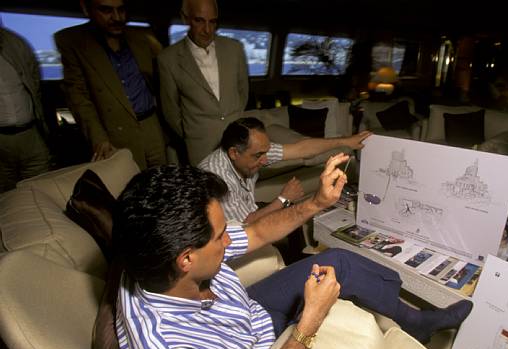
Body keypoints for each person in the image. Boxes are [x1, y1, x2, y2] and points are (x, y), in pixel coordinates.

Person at [113, 155, 473, 349]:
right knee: (328, 288)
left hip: (245, 311)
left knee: (338, 261)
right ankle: (413, 322)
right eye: (220, 237)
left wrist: (317, 202)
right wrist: (310, 318)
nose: (229, 240)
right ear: (186, 260)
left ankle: (416, 321)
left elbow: (256, 232)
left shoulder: (157, 253)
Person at [55, 0, 167, 170]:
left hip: (152, 128)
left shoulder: (143, 37)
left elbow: (164, 79)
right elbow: (79, 98)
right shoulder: (73, 41)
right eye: (106, 10)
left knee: (163, 180)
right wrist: (98, 139)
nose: (117, 18)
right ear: (86, 9)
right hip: (114, 135)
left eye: (121, 10)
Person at [199, 116, 370, 223]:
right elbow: (245, 223)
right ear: (234, 153)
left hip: (248, 209)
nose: (265, 160)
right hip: (227, 231)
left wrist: (345, 141)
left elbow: (303, 149)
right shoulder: (216, 177)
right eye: (258, 155)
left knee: (296, 216)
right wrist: (283, 199)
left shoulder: (256, 150)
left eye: (266, 152)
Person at [158, 0, 249, 166]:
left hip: (238, 141)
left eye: (212, 22)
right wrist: (194, 132)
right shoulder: (167, 59)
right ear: (185, 18)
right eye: (199, 20)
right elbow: (171, 111)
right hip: (200, 147)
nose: (207, 30)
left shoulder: (235, 49)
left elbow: (243, 92)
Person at [0, 27, 50, 192]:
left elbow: (35, 81)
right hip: (2, 141)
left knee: (42, 188)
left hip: (31, 134)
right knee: (6, 196)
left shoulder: (15, 43)